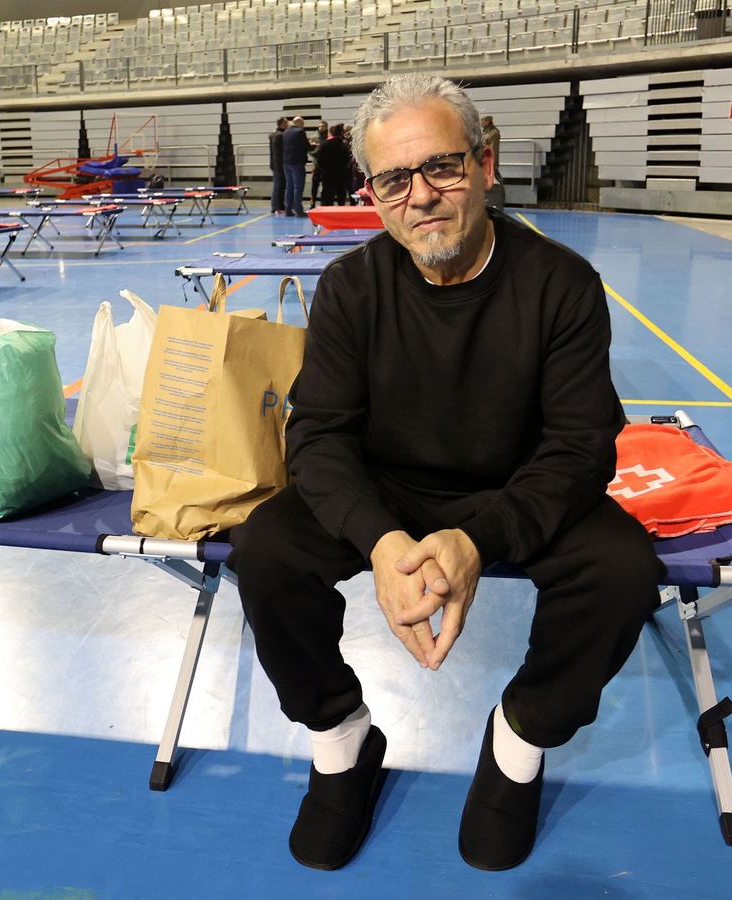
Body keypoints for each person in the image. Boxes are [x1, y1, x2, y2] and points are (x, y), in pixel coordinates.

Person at [229, 74, 663, 872]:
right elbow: (318, 438)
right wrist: (381, 539)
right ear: (371, 193)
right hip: (387, 490)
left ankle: (520, 741)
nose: (421, 196)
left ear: (484, 165)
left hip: (515, 488)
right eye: (394, 178)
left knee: (623, 570)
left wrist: (478, 538)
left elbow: (580, 448)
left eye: (442, 167)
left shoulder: (562, 285)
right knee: (265, 551)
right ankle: (342, 740)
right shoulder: (352, 288)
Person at [315, 124, 352, 207]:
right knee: (341, 197)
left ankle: (327, 213)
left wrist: (324, 170)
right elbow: (347, 160)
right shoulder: (343, 145)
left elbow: (319, 160)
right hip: (341, 174)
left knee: (327, 197)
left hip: (327, 175)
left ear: (331, 133)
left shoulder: (324, 145)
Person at [281, 115, 310, 217]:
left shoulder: (285, 132)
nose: (303, 126)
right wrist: (313, 145)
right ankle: (298, 209)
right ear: (299, 123)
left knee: (289, 186)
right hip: (297, 162)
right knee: (298, 187)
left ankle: (288, 209)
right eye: (302, 124)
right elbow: (306, 146)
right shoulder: (300, 132)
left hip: (286, 162)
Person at [270, 117, 288, 216]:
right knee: (280, 186)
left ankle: (275, 206)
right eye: (285, 123)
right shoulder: (281, 135)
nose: (287, 124)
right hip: (280, 164)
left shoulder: (273, 134)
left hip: (274, 163)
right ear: (281, 124)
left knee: (277, 186)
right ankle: (279, 207)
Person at [311, 120, 330, 205]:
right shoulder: (314, 138)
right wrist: (318, 151)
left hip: (326, 166)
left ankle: (323, 203)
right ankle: (312, 202)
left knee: (325, 186)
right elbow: (311, 151)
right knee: (314, 185)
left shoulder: (329, 138)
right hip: (316, 165)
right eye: (319, 126)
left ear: (326, 127)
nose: (321, 128)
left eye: (323, 126)